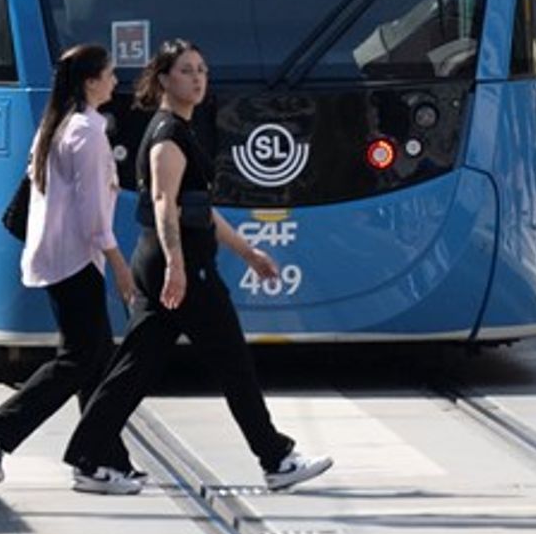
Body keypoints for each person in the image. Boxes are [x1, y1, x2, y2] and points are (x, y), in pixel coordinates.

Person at [61, 41, 333, 495]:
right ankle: (276, 457)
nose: (198, 78)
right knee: (233, 364)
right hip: (183, 266)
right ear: (165, 79)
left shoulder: (179, 130)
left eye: (202, 70)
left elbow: (198, 208)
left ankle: (89, 455)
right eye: (187, 71)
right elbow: (166, 205)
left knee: (134, 368)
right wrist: (178, 267)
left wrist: (248, 252)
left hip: (169, 260)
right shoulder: (168, 135)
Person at [0, 45, 143, 484]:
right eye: (109, 74)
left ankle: (101, 459)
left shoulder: (59, 124)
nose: (115, 82)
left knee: (94, 357)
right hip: (74, 260)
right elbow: (92, 215)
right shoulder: (86, 131)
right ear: (90, 82)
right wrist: (119, 263)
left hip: (61, 257)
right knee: (80, 359)